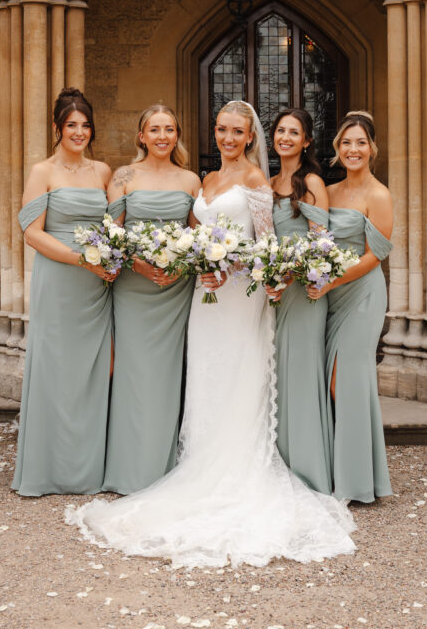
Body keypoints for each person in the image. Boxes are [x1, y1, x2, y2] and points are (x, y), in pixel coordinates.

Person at [66, 100, 356, 568]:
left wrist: (229, 265)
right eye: (221, 130)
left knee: (238, 376)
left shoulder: (256, 181)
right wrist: (201, 260)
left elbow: (264, 245)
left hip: (241, 298)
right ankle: (199, 462)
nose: (227, 138)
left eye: (236, 131)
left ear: (249, 137)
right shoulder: (205, 181)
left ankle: (234, 471)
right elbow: (197, 234)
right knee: (205, 376)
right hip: (206, 299)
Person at [12, 88, 115, 496]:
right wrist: (80, 259)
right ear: (57, 128)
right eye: (71, 125)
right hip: (60, 279)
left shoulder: (102, 172)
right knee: (56, 371)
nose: (79, 132)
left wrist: (106, 260)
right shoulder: (42, 171)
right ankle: (48, 469)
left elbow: (113, 226)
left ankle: (87, 468)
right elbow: (31, 234)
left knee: (92, 371)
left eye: (85, 125)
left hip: (96, 286)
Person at [102, 105, 200, 494]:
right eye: (154, 129)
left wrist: (181, 266)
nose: (162, 136)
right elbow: (110, 234)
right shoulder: (123, 176)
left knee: (167, 375)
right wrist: (138, 265)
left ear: (177, 135)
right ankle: (129, 467)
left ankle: (165, 467)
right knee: (134, 372)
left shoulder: (192, 180)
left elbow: (198, 237)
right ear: (141, 136)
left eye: (169, 129)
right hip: (134, 286)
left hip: (175, 289)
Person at [308, 111, 393, 503]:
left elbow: (375, 255)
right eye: (346, 143)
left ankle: (358, 481)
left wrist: (329, 282)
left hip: (361, 295)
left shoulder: (379, 194)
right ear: (337, 148)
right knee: (333, 381)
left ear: (372, 148)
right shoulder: (331, 190)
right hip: (332, 294)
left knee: (347, 381)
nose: (353, 149)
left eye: (360, 142)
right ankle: (347, 472)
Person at [269, 108, 332, 494]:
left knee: (302, 373)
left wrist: (293, 273)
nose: (286, 138)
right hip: (274, 292)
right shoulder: (269, 181)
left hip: (303, 291)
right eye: (281, 131)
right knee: (278, 375)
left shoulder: (310, 181)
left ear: (306, 141)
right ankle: (282, 461)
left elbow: (321, 241)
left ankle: (309, 470)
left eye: (294, 133)